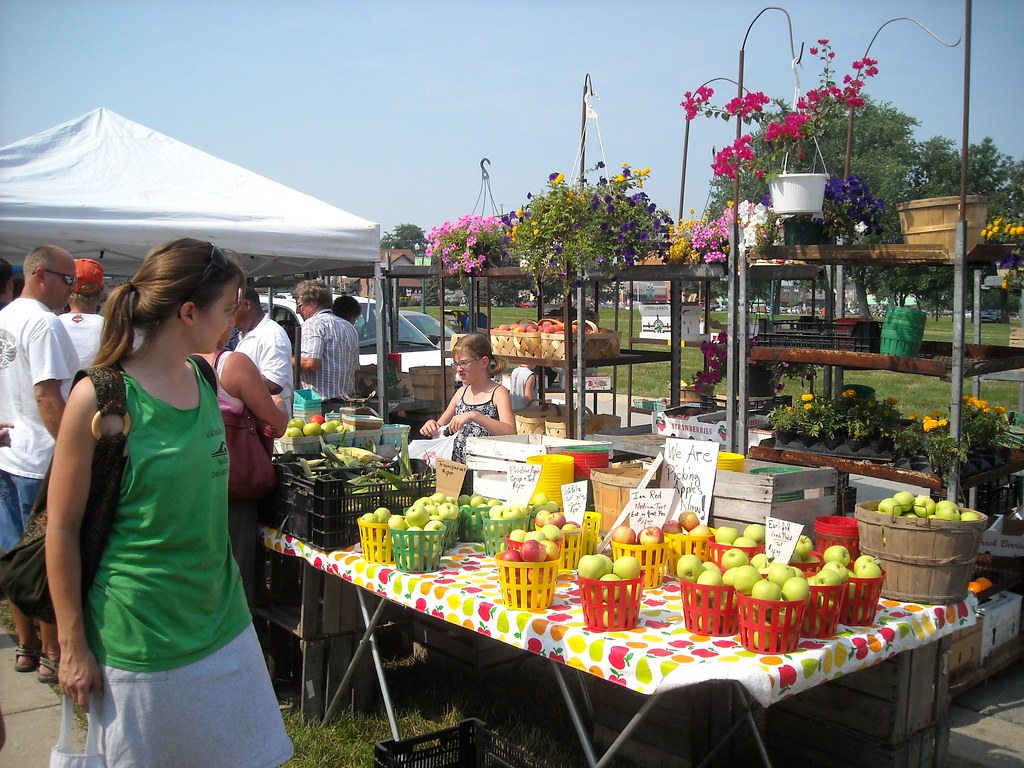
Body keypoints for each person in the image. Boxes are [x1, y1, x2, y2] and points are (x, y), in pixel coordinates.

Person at [44, 239, 293, 767]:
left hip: (224, 625)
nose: (233, 321)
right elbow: (61, 529)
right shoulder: (103, 398)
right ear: (188, 312)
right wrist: (71, 644)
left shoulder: (205, 380)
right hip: (140, 640)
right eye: (227, 309)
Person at [0, 245, 79, 683]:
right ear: (41, 275)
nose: (72, 290)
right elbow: (49, 397)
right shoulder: (42, 323)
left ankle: (26, 646)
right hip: (38, 459)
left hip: (10, 453)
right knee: (47, 560)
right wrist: (75, 453)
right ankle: (50, 652)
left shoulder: (5, 316)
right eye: (68, 280)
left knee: (13, 555)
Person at [198, 326, 287, 608]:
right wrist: (280, 404)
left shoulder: (175, 361)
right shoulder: (232, 364)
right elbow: (277, 423)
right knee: (235, 580)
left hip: (187, 487)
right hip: (231, 486)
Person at [420, 333, 515, 463]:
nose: (459, 369)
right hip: (457, 469)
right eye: (456, 364)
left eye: (464, 363)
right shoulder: (461, 392)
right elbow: (439, 427)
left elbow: (510, 432)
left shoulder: (498, 393)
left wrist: (474, 416)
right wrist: (430, 425)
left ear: (484, 362)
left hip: (486, 469)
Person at [292, 279, 356, 410]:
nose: (299, 311)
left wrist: (286, 359)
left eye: (300, 305)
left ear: (313, 303)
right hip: (346, 404)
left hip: (320, 405)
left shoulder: (313, 324)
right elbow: (356, 369)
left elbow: (311, 363)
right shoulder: (348, 326)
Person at [233, 287, 294, 414]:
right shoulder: (244, 334)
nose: (228, 316)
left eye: (231, 310)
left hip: (270, 421)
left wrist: (233, 380)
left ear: (247, 305)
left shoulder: (271, 335)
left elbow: (274, 383)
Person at [58, 258, 106, 370]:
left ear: (69, 291)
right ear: (101, 292)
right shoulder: (110, 326)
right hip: (94, 386)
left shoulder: (51, 323)